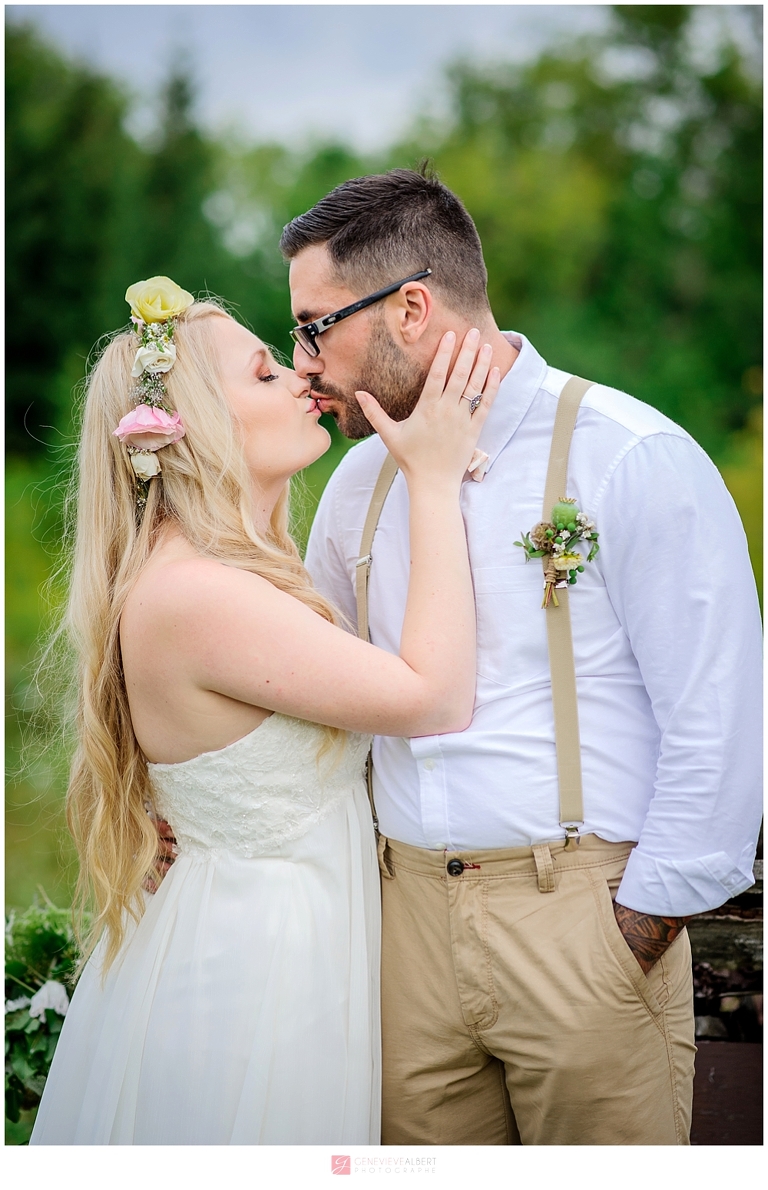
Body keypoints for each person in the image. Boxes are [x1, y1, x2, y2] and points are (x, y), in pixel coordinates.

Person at [280, 167, 763, 1146]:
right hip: (401, 929)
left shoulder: (629, 455)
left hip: (583, 924)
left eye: (315, 327)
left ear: (410, 308)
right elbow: (310, 694)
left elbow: (720, 718)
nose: (303, 363)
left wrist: (631, 931)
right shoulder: (357, 484)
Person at [30, 276, 500, 1145]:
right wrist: (432, 481)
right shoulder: (197, 595)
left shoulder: (229, 576)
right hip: (254, 978)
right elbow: (433, 697)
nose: (299, 375)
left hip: (287, 945)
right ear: (193, 426)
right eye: (262, 373)